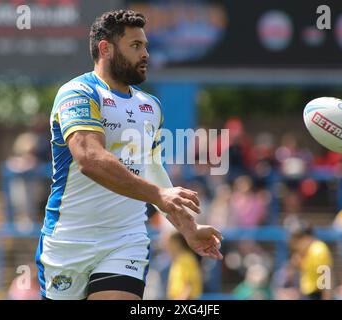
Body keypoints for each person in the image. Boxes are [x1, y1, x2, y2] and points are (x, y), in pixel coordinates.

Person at [35, 9, 222, 300]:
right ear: (105, 48)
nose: (145, 53)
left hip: (126, 240)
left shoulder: (151, 106)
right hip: (68, 241)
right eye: (135, 46)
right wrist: (159, 195)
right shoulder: (78, 93)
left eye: (145, 45)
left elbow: (153, 171)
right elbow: (90, 159)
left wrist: (188, 228)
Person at [289, 223, 333, 300]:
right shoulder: (305, 251)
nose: (296, 243)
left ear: (307, 237)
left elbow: (326, 280)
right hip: (307, 293)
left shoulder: (319, 250)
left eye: (298, 238)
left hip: (316, 294)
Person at [166, 232, 203, 300]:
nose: (167, 246)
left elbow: (189, 286)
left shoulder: (187, 259)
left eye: (169, 243)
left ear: (177, 243)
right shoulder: (178, 260)